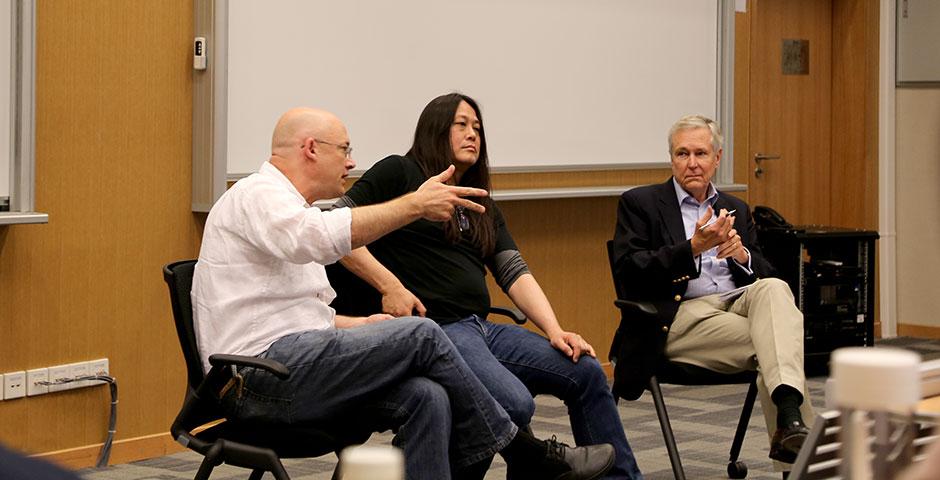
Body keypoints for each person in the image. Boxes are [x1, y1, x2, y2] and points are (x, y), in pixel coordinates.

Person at [191, 107, 615, 480]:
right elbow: (318, 239)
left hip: (289, 365)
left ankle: (522, 456)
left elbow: (293, 314)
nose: (352, 161)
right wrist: (414, 205)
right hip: (254, 380)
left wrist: (360, 325)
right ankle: (525, 453)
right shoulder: (257, 195)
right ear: (310, 148)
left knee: (426, 396)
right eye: (344, 149)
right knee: (423, 332)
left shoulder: (287, 207)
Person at [332, 93, 643, 480]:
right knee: (513, 404)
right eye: (461, 125)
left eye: (477, 127)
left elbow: (515, 273)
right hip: (436, 331)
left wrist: (554, 329)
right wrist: (389, 284)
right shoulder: (401, 173)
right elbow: (330, 224)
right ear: (435, 128)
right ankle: (429, 460)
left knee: (586, 370)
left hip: (481, 329)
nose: (472, 134)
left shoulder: (481, 203)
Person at [609, 114, 816, 465]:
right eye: (682, 154)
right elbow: (630, 271)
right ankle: (793, 437)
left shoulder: (734, 207)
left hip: (735, 306)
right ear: (671, 158)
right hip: (677, 319)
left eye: (701, 154)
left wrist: (743, 255)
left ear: (717, 158)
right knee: (780, 344)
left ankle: (791, 424)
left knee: (775, 290)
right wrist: (691, 248)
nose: (692, 163)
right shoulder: (641, 204)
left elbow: (765, 276)